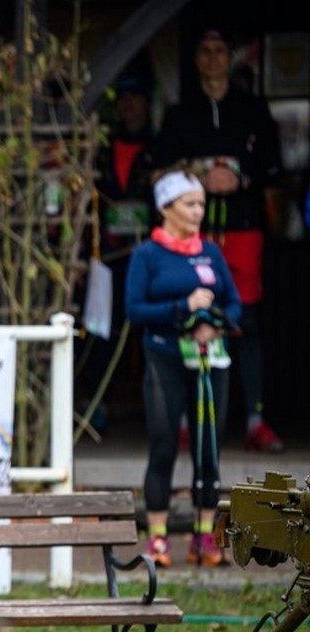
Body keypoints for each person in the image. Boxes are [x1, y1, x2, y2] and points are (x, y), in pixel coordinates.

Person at [153, 29, 284, 453]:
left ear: (231, 58)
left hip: (243, 229)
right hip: (194, 232)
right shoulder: (179, 114)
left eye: (219, 52)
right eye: (204, 51)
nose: (212, 59)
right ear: (196, 60)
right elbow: (155, 174)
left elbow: (275, 172)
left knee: (243, 322)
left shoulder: (254, 110)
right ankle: (190, 423)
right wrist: (196, 173)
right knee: (191, 320)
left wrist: (240, 178)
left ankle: (254, 421)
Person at [126, 168, 241, 568]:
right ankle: (157, 540)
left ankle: (205, 538)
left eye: (201, 205)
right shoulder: (147, 255)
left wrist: (215, 321)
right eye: (189, 204)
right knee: (163, 444)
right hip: (164, 357)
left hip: (209, 359)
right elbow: (134, 310)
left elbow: (235, 301)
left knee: (208, 447)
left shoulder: (210, 252)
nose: (197, 212)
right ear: (166, 207)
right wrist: (182, 308)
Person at [80, 73, 157, 432]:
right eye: (122, 97)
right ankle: (98, 405)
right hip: (107, 256)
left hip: (150, 255)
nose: (128, 104)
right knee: (102, 331)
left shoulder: (160, 149)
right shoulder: (102, 151)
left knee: (148, 330)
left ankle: (157, 408)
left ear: (146, 102)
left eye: (135, 96)